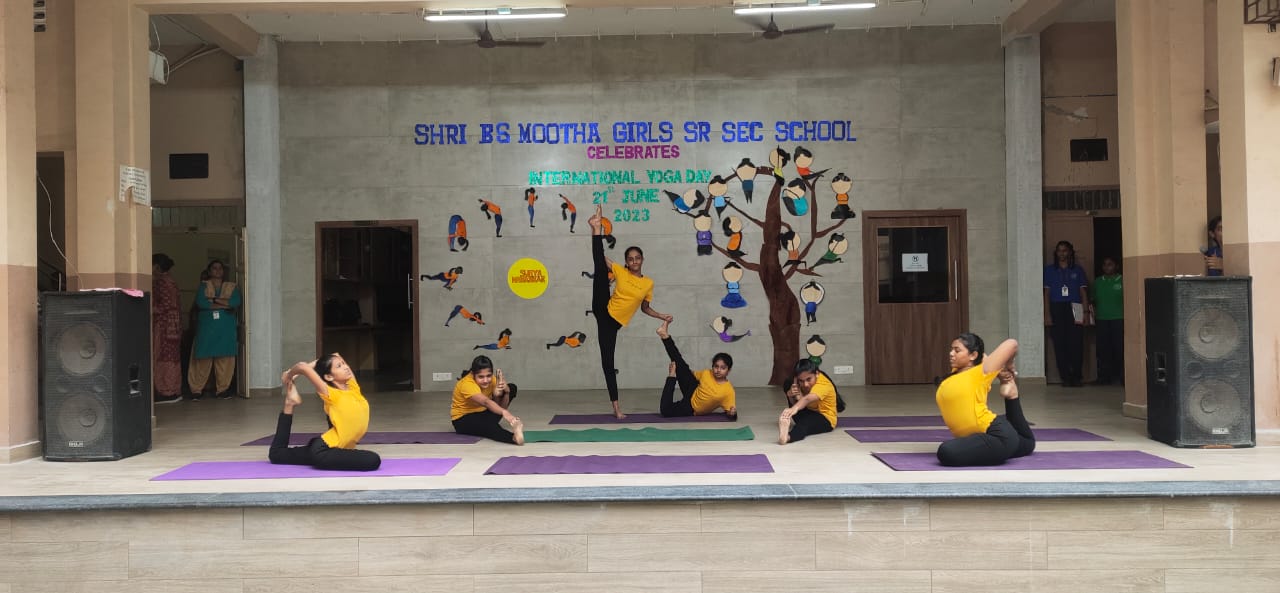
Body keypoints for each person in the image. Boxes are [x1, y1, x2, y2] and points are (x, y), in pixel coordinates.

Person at [588, 205, 672, 418]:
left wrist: (661, 315)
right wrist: (597, 236)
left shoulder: (648, 283)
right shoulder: (621, 271)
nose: (634, 261)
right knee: (600, 267)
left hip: (612, 325)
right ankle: (595, 228)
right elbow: (600, 257)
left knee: (608, 363)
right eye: (631, 259)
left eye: (637, 258)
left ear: (642, 260)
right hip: (602, 308)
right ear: (627, 262)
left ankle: (615, 406)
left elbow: (644, 307)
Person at [934, 334, 1035, 467]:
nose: (951, 353)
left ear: (973, 355)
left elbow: (1012, 344)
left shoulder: (981, 372)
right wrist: (1001, 372)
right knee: (1027, 443)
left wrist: (1009, 364)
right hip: (982, 437)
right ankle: (1011, 396)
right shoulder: (957, 371)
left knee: (946, 452)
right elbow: (982, 354)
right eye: (951, 349)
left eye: (957, 350)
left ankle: (1012, 396)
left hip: (997, 436)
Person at [269, 354, 381, 471]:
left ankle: (290, 402)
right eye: (339, 366)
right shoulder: (330, 393)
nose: (346, 367)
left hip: (336, 448)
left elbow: (336, 355)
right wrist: (289, 376)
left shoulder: (353, 388)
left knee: (278, 454)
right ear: (328, 377)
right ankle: (290, 403)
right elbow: (302, 366)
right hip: (323, 450)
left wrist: (302, 371)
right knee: (373, 460)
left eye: (343, 364)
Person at [655, 321, 736, 419]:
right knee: (679, 362)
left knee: (666, 411)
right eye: (716, 366)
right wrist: (681, 369)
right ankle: (664, 335)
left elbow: (731, 412)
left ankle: (671, 377)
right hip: (693, 389)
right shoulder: (707, 373)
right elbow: (692, 374)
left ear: (728, 370)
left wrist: (732, 413)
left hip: (691, 407)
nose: (718, 370)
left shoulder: (728, 391)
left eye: (722, 368)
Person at [188, 259, 242, 399]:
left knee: (225, 359)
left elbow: (235, 302)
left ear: (224, 271)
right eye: (214, 268)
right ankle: (196, 390)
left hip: (225, 329)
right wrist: (225, 305)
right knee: (202, 359)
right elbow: (201, 303)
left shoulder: (232, 287)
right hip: (207, 328)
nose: (217, 270)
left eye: (220, 268)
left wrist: (213, 300)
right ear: (209, 271)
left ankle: (222, 390)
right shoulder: (204, 286)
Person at [1043, 240, 1088, 387]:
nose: (1062, 253)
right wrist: (1047, 314)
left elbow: (1083, 292)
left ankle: (1077, 376)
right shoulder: (1049, 270)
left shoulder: (1078, 270)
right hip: (1057, 306)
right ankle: (1065, 377)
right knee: (1059, 343)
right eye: (1059, 250)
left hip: (1076, 306)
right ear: (1056, 253)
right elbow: (1046, 294)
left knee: (1077, 343)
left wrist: (1085, 312)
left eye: (1065, 250)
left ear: (1070, 252)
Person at [450, 355, 524, 445]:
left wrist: (506, 392)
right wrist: (506, 413)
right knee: (489, 426)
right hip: (463, 420)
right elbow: (486, 402)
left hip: (484, 413)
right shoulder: (466, 384)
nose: (485, 380)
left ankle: (491, 423)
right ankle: (514, 438)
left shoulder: (492, 379)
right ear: (473, 374)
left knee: (511, 387)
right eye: (481, 377)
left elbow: (501, 407)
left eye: (488, 375)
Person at [778, 359, 840, 445]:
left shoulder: (823, 384)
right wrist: (791, 395)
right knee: (788, 386)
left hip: (825, 419)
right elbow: (794, 403)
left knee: (805, 424)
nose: (805, 384)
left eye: (808, 379)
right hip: (808, 411)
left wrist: (793, 409)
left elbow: (807, 399)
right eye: (801, 381)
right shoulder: (797, 383)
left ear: (817, 374)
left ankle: (787, 437)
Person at [151, 253, 183, 404]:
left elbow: (164, 306)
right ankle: (174, 390)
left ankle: (166, 391)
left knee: (162, 357)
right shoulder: (172, 281)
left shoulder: (161, 282)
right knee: (172, 357)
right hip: (173, 325)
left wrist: (148, 309)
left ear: (157, 267)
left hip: (163, 325)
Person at [1091, 256, 1124, 385]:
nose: (1107, 267)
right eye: (1104, 264)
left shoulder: (1123, 280)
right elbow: (1092, 300)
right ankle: (1104, 377)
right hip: (1102, 319)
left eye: (1110, 264)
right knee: (1103, 349)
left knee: (1119, 349)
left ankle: (1123, 377)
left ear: (1116, 266)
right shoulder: (1098, 282)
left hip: (1119, 319)